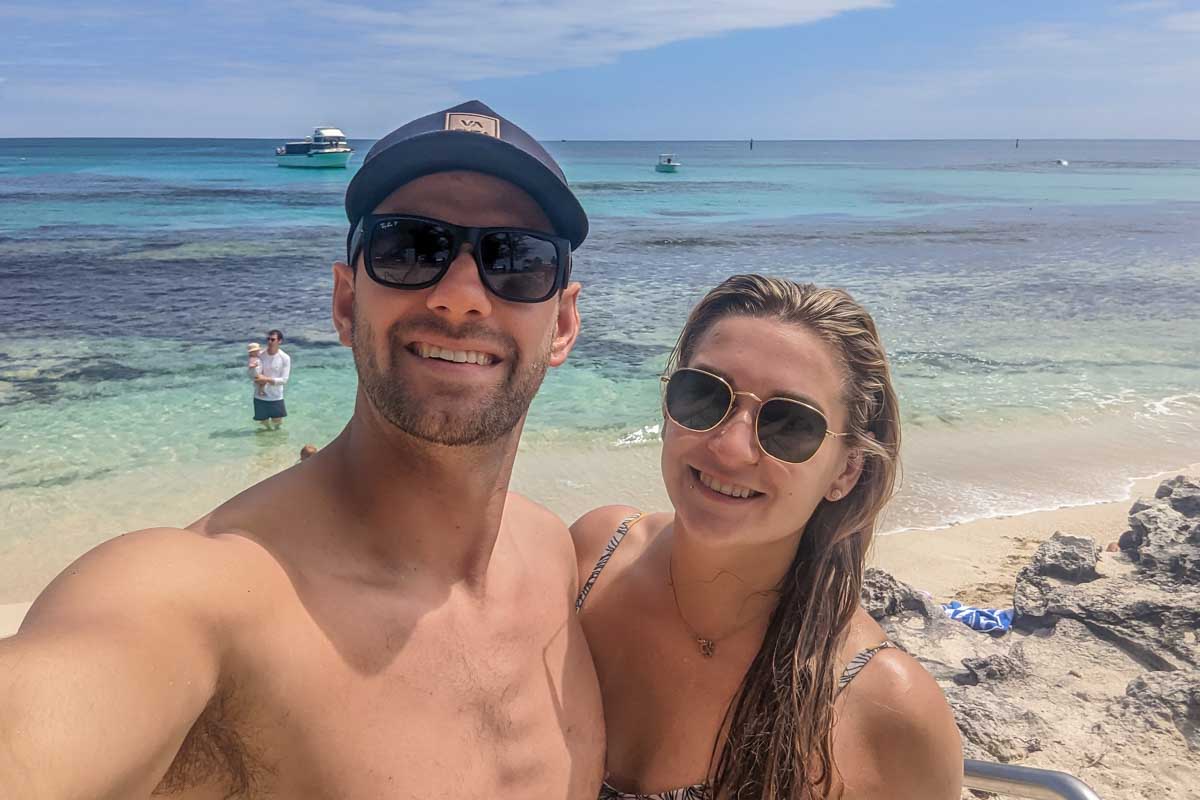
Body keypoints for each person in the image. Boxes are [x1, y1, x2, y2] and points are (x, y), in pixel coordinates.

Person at [0, 100, 604, 799]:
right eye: (410, 247)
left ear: (563, 326)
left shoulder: (556, 560)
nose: (461, 296)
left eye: (518, 259)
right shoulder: (211, 601)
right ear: (346, 304)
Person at [572, 275, 963, 800]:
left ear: (847, 469)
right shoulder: (592, 558)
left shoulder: (887, 708)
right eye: (704, 394)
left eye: (789, 425)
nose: (730, 448)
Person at [253, 329, 290, 429]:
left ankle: (277, 438)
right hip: (259, 397)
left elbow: (284, 380)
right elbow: (252, 373)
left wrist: (266, 379)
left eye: (273, 339)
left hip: (276, 397)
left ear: (279, 341)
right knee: (263, 424)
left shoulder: (285, 358)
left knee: (277, 424)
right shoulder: (260, 355)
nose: (269, 341)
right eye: (268, 339)